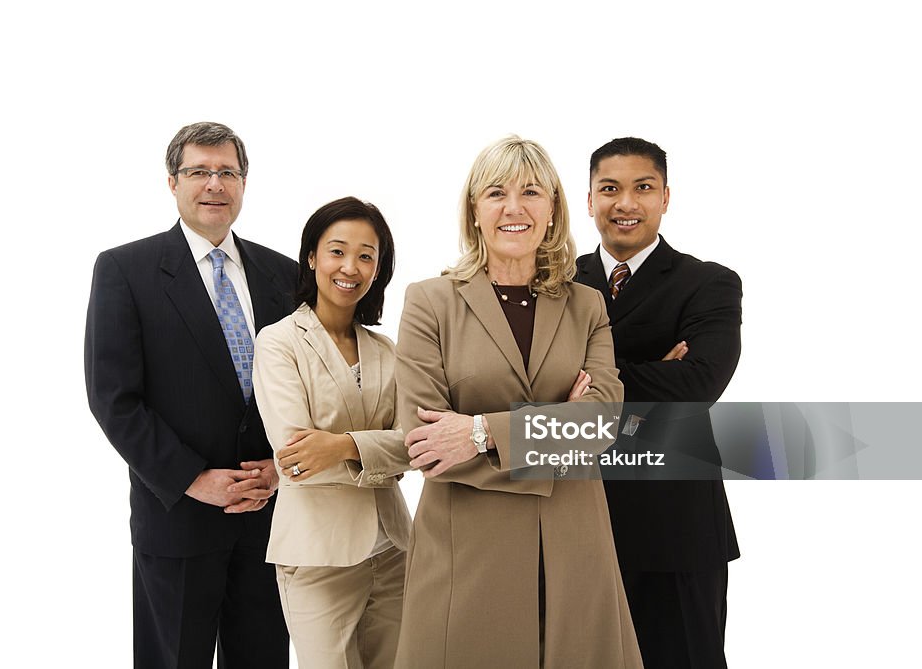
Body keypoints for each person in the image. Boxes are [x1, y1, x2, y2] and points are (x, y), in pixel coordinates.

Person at [393, 136, 643, 668]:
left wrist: (478, 432)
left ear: (552, 210)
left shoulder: (586, 305)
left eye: (531, 191)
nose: (514, 207)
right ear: (474, 210)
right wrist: (558, 432)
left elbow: (600, 425)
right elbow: (425, 445)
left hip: (573, 546)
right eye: (496, 193)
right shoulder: (428, 303)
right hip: (468, 554)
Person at [84, 121, 296, 668]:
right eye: (199, 171)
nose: (214, 184)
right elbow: (114, 398)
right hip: (178, 521)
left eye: (227, 172)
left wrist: (279, 467)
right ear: (173, 183)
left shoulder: (285, 274)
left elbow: (306, 389)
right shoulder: (125, 271)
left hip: (270, 519)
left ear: (244, 184)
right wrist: (194, 480)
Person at [575, 137, 742, 668]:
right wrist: (654, 374)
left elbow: (697, 384)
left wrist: (586, 384)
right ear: (590, 200)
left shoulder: (707, 283)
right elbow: (524, 385)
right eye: (610, 189)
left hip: (677, 528)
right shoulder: (556, 281)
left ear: (665, 197)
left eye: (642, 188)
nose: (626, 203)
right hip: (578, 518)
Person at [252, 197, 412, 669]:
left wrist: (340, 445)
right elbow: (297, 458)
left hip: (394, 551)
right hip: (318, 554)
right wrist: (380, 454)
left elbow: (415, 446)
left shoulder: (388, 349)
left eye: (367, 255)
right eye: (338, 251)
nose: (351, 267)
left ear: (379, 269)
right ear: (312, 257)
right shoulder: (278, 341)